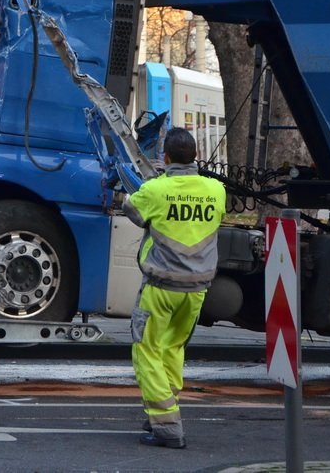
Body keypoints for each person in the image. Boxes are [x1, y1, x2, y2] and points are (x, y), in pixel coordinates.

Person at [123, 127, 226, 449]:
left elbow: (132, 210)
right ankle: (164, 411)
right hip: (196, 290)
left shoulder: (156, 189)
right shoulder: (216, 190)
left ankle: (167, 427)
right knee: (172, 349)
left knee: (147, 351)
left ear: (165, 158)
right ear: (195, 156)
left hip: (161, 287)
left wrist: (143, 185)